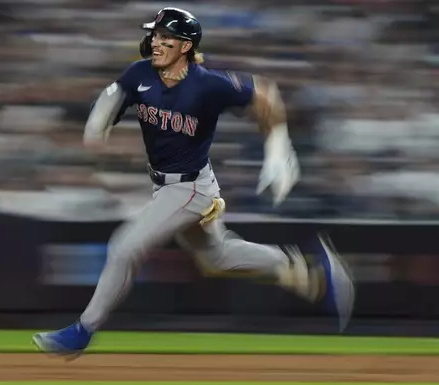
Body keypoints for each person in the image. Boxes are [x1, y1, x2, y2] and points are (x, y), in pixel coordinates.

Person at [33, 7, 355, 360]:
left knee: (125, 248)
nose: (155, 42)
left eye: (164, 38)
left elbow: (265, 95)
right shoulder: (141, 73)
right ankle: (311, 275)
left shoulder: (207, 84)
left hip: (189, 189)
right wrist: (101, 117)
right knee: (217, 257)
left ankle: (82, 331)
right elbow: (116, 93)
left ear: (185, 46)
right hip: (173, 185)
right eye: (155, 35)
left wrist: (279, 147)